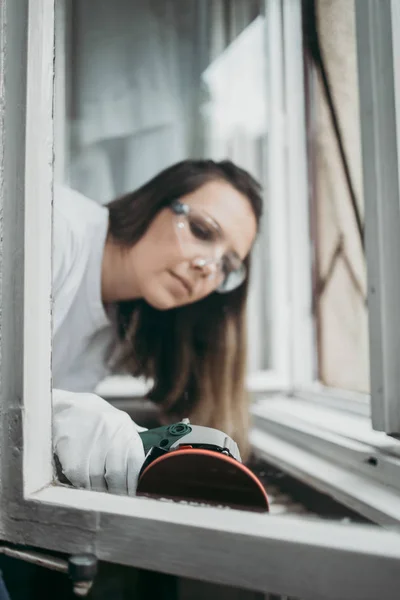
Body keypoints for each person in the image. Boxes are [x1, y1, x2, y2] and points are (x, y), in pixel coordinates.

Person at [52, 159, 263, 496]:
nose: (207, 267)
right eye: (201, 231)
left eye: (227, 265)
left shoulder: (119, 322)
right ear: (151, 203)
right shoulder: (55, 229)